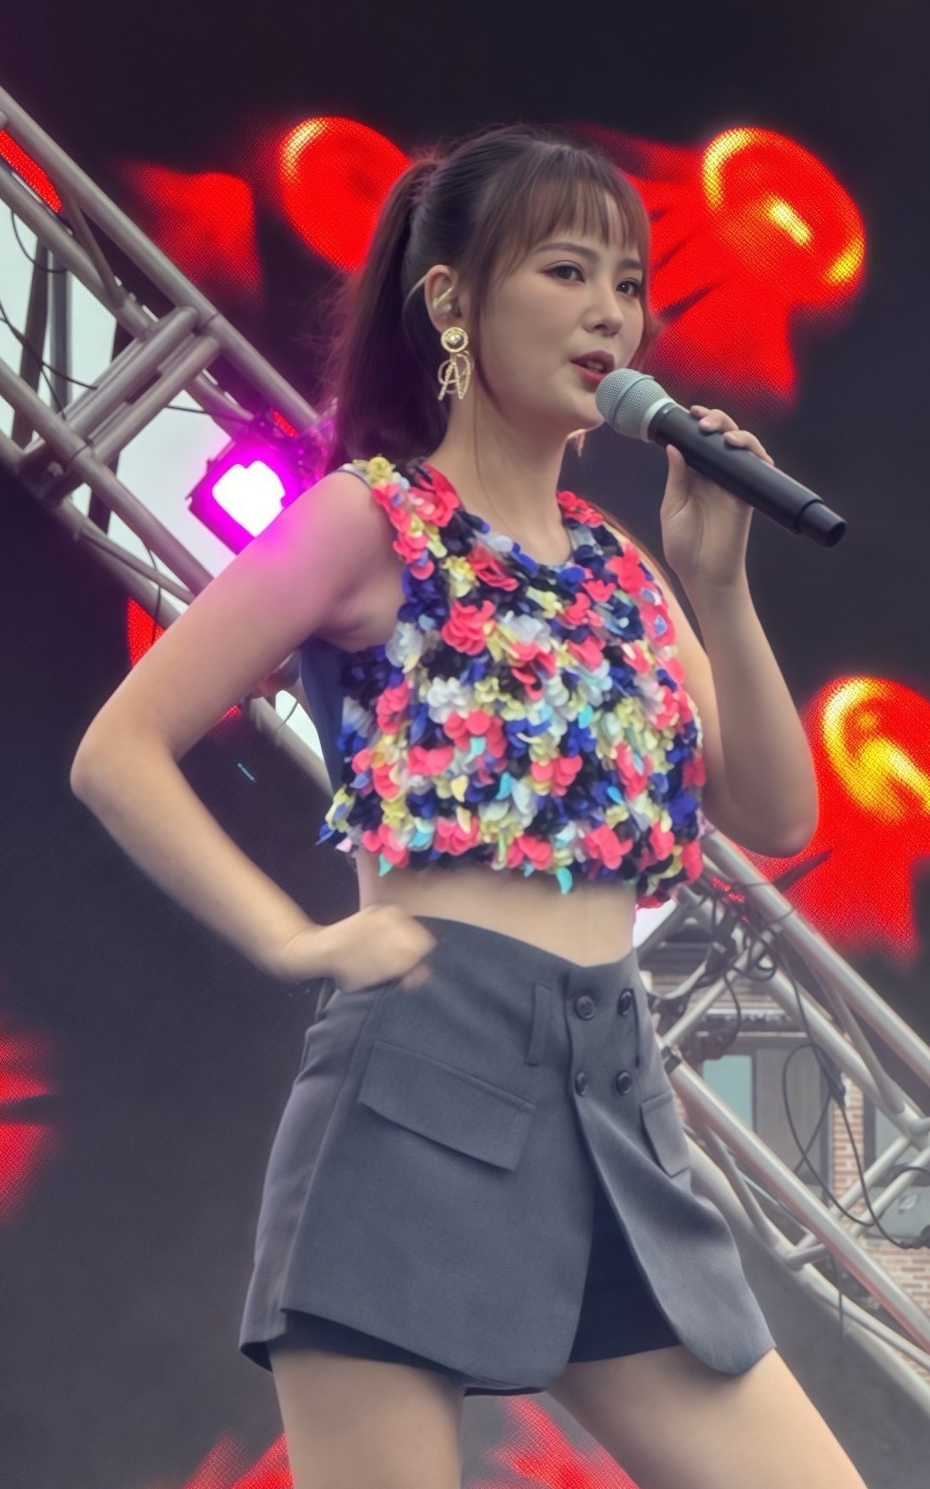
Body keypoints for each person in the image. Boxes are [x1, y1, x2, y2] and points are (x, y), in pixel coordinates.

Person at [67, 122, 865, 1488]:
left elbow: (779, 812)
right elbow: (121, 748)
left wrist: (718, 585)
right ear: (451, 300)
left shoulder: (623, 570)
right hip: (420, 1085)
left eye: (629, 283)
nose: (611, 312)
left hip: (612, 1101)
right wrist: (292, 936)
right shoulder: (368, 520)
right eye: (567, 271)